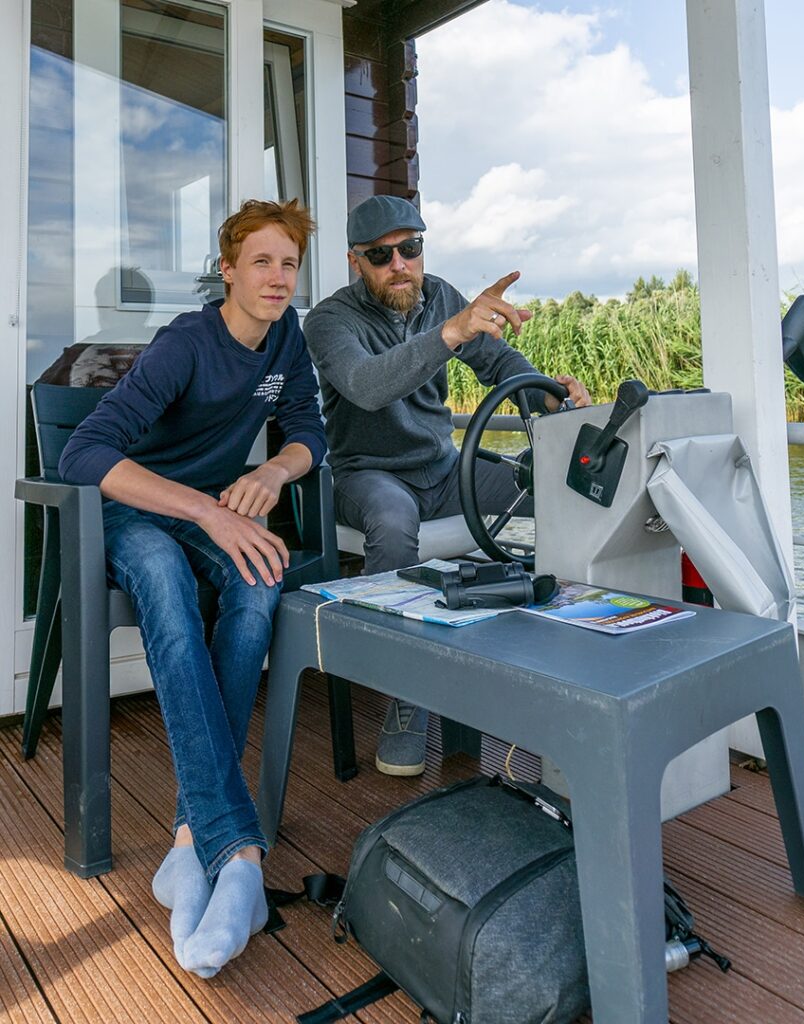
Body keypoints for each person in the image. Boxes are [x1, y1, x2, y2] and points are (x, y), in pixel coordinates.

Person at [58, 199, 326, 978]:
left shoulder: (286, 338)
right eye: (263, 263)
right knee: (170, 585)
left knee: (259, 579)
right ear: (229, 269)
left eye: (289, 265)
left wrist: (273, 471)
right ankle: (238, 852)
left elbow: (309, 429)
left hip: (211, 514)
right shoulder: (185, 344)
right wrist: (207, 510)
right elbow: (84, 453)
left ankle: (187, 843)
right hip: (131, 515)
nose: (278, 279)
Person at [303, 194, 591, 778]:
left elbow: (501, 365)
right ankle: (404, 701)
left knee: (564, 489)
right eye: (381, 255)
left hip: (445, 470)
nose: (400, 264)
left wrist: (550, 394)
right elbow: (366, 385)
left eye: (410, 248)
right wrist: (450, 333)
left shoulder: (441, 297)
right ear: (355, 261)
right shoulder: (329, 320)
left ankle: (578, 664)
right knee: (391, 522)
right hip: (368, 475)